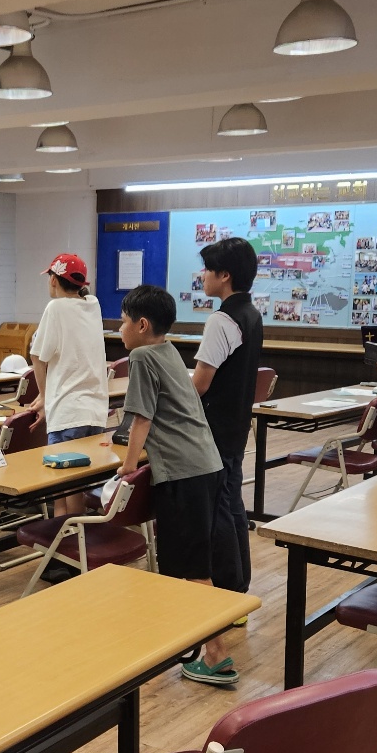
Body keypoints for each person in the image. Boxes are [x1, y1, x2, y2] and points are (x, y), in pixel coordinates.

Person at [116, 286, 232, 686]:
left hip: (185, 472)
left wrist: (127, 466)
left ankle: (217, 655)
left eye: (123, 321)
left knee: (194, 571)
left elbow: (142, 418)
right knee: (189, 564)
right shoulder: (168, 351)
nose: (120, 328)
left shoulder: (141, 356)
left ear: (141, 324)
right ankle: (182, 641)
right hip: (207, 465)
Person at [190, 238, 262, 605]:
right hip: (236, 425)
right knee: (232, 505)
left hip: (215, 428)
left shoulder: (221, 319)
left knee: (218, 510)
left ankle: (227, 590)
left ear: (225, 275)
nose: (202, 275)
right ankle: (239, 583)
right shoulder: (251, 313)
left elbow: (201, 383)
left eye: (207, 269)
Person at [28, 253, 109, 519]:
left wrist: (44, 396)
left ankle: (73, 540)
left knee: (65, 492)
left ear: (54, 280)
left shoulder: (55, 308)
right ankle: (69, 539)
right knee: (76, 488)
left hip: (67, 413)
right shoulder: (93, 304)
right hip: (95, 412)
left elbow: (37, 356)